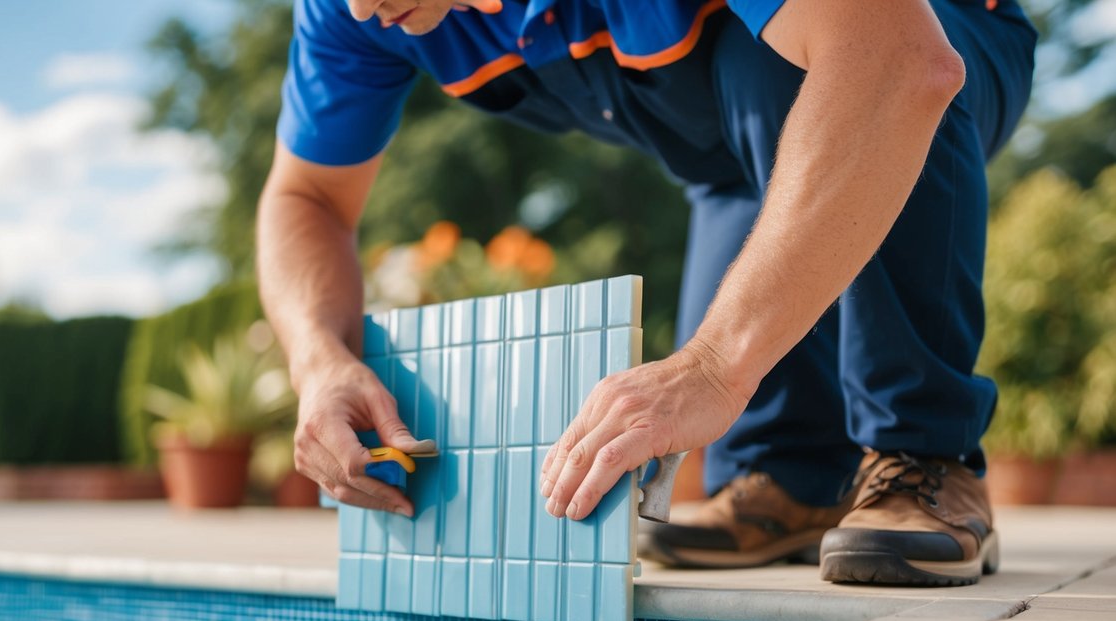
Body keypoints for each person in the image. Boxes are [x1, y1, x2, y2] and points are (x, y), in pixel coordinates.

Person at [259, 0, 1037, 587]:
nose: (360, 8)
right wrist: (317, 361)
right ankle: (793, 484)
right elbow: (305, 199)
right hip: (731, 154)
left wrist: (711, 367)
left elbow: (893, 62)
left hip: (932, 39)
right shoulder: (349, 9)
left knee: (788, 63)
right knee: (757, 443)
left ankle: (923, 455)